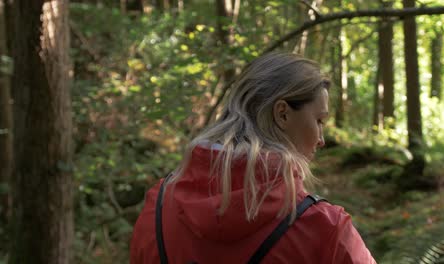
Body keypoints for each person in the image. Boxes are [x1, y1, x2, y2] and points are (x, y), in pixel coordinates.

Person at [130, 52, 377, 264]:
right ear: (282, 114)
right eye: (319, 121)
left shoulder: (159, 208)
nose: (321, 139)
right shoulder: (325, 229)